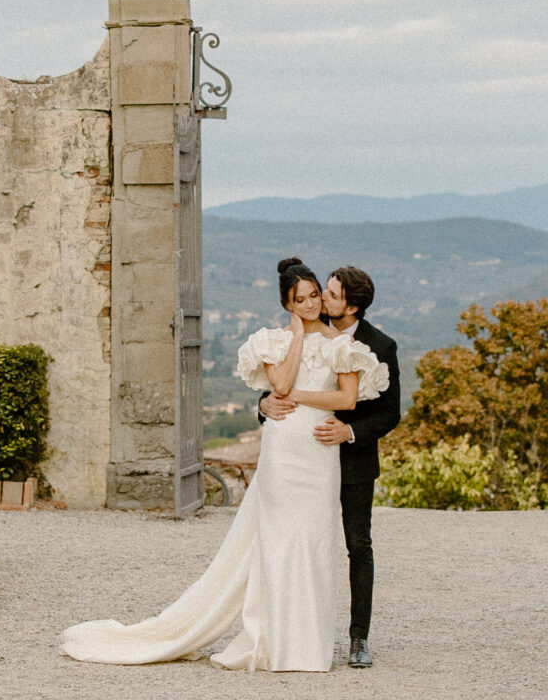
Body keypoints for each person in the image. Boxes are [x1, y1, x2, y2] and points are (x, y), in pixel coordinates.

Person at [59, 256, 388, 672]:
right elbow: (281, 385)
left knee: (316, 545)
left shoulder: (349, 348)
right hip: (284, 452)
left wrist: (300, 397)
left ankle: (313, 644)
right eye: (301, 299)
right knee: (278, 545)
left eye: (316, 296)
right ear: (288, 304)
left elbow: (346, 400)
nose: (312, 302)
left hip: (322, 457)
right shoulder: (272, 340)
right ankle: (272, 641)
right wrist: (297, 340)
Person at [260, 266, 400, 668]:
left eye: (331, 295)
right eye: (323, 292)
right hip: (302, 459)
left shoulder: (380, 345)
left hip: (352, 460)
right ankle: (292, 631)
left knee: (358, 545)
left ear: (351, 306)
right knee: (298, 541)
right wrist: (263, 404)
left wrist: (350, 432)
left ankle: (358, 638)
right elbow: (276, 388)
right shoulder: (306, 330)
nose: (321, 300)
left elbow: (390, 414)